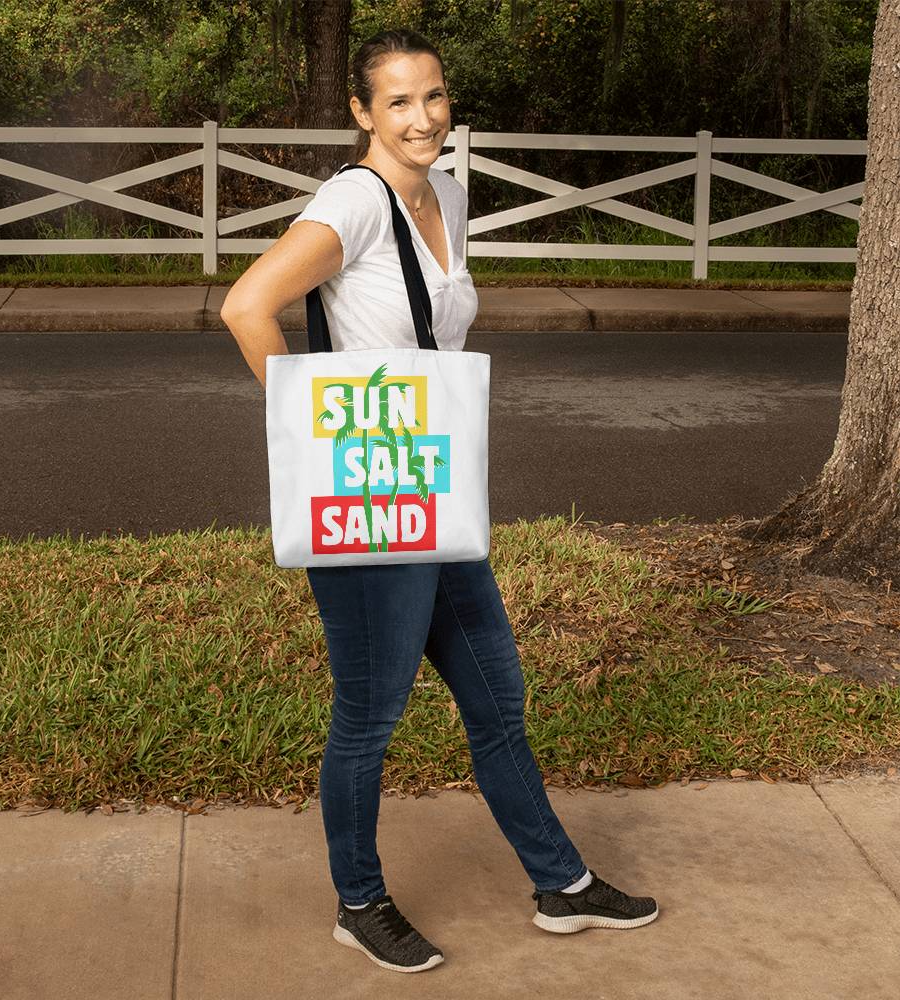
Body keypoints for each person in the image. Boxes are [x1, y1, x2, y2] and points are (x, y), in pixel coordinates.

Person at [220, 27, 659, 975]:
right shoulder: (354, 200)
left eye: (435, 97)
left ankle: (562, 886)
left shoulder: (449, 197)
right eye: (400, 102)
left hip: (436, 494)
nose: (423, 119)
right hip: (370, 499)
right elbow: (246, 306)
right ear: (362, 113)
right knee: (369, 717)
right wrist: (317, 430)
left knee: (498, 697)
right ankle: (358, 901)